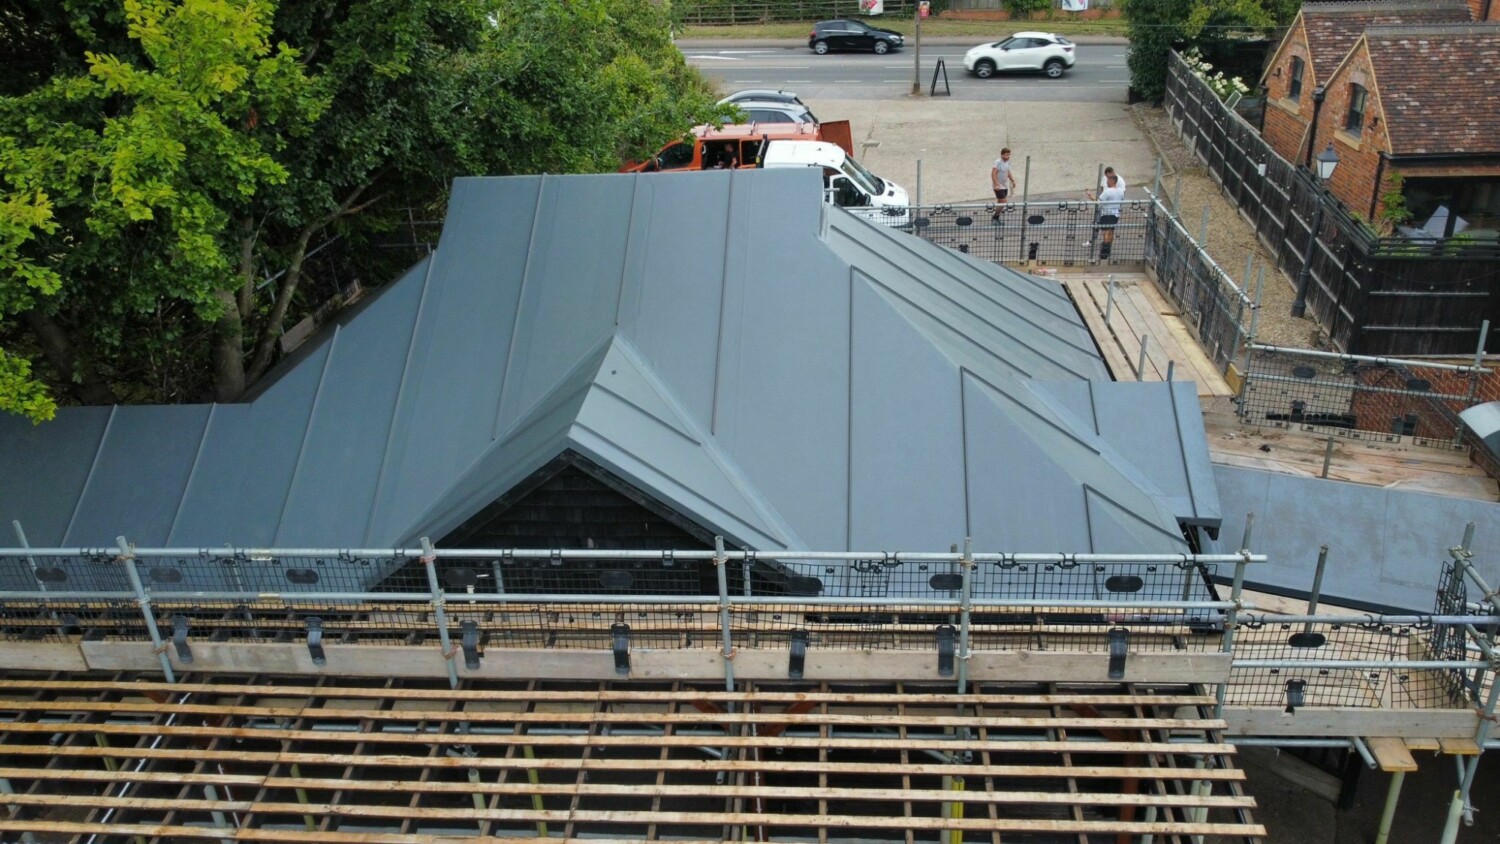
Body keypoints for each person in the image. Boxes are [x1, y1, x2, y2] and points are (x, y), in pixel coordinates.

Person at [1085, 172, 1126, 261]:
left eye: (1108, 180)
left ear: (1112, 181)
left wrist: (1089, 195)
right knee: (1111, 231)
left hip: (1106, 214)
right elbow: (1122, 200)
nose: (1106, 182)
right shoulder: (1120, 191)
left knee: (1105, 233)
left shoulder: (1107, 192)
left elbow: (1098, 202)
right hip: (1115, 215)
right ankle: (1108, 251)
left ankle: (1104, 252)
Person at [991, 148, 1017, 223]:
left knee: (1000, 201)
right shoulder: (998, 162)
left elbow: (1008, 171)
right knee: (1004, 202)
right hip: (998, 186)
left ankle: (997, 216)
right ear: (1002, 155)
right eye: (1006, 155)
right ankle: (995, 216)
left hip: (1005, 185)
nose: (1008, 156)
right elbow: (993, 173)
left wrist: (1013, 180)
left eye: (1009, 155)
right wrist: (996, 184)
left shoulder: (1008, 162)